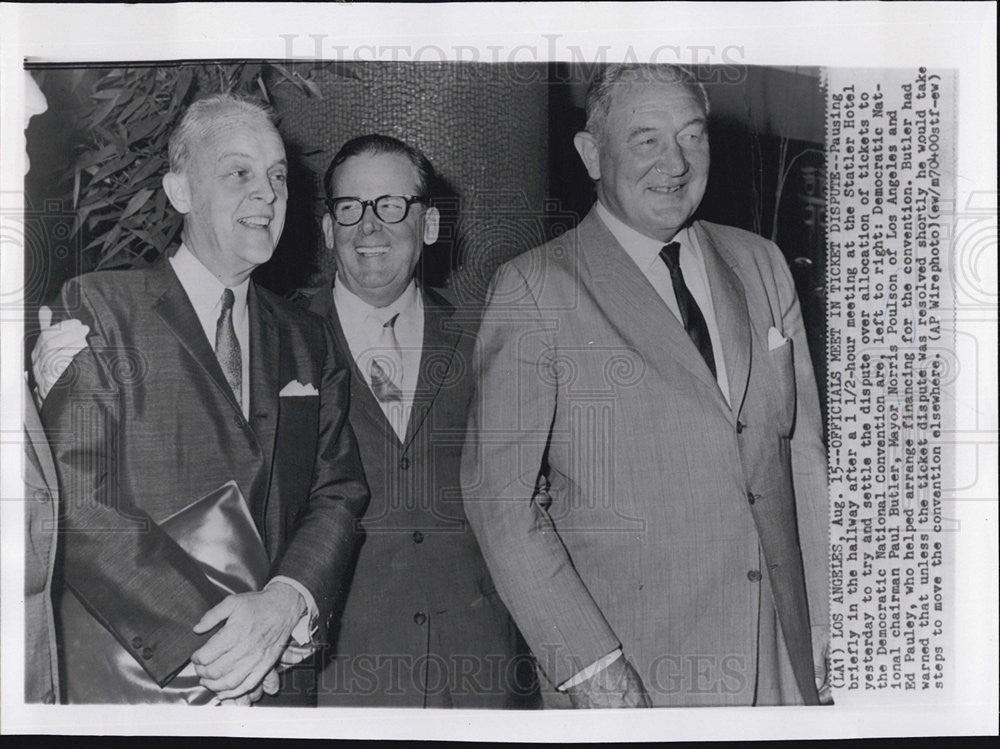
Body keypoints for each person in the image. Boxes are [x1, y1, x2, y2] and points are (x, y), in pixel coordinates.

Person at [461, 64, 830, 708]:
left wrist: (829, 613)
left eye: (692, 136)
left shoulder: (762, 261)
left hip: (782, 656)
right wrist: (590, 668)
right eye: (646, 140)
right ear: (590, 154)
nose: (677, 163)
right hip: (636, 670)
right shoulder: (536, 288)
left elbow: (802, 456)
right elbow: (500, 499)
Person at [36, 93, 369, 705]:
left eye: (277, 177)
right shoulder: (104, 308)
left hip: (280, 674)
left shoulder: (307, 336)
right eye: (239, 172)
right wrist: (225, 641)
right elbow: (78, 501)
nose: (268, 195)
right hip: (150, 679)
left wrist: (287, 602)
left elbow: (338, 491)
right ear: (180, 191)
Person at [294, 134, 537, 707]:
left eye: (391, 205)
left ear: (427, 224)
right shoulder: (282, 340)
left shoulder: (485, 338)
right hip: (339, 676)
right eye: (349, 207)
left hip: (480, 672)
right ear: (329, 229)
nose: (369, 227)